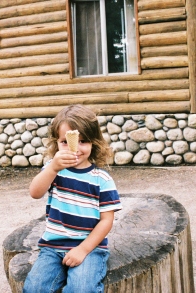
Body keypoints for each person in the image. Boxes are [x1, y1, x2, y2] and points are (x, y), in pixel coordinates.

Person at [23, 104, 122, 293]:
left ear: (94, 143)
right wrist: (52, 168)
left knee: (82, 289)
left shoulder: (102, 180)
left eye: (82, 141)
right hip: (52, 247)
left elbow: (106, 221)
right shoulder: (54, 171)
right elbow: (35, 193)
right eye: (65, 142)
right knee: (34, 288)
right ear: (57, 143)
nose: (74, 148)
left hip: (89, 248)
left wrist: (83, 249)